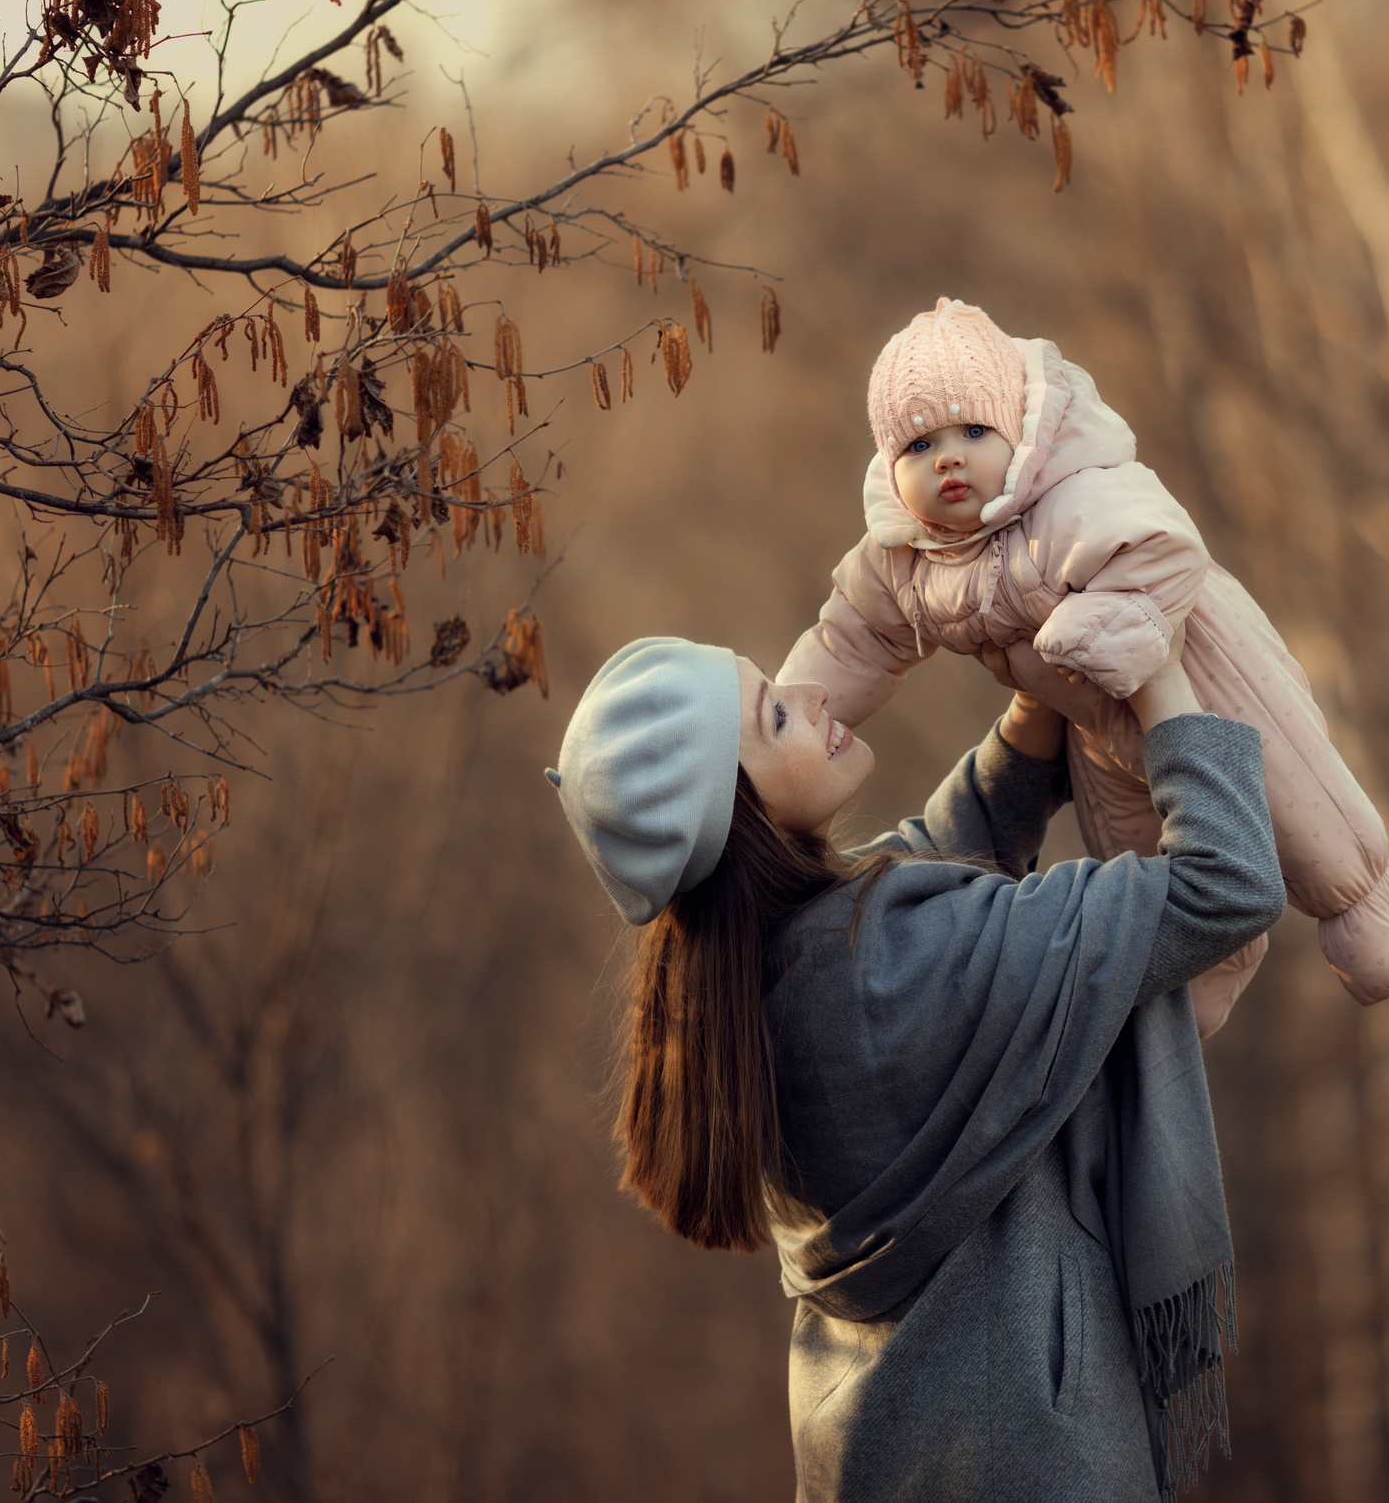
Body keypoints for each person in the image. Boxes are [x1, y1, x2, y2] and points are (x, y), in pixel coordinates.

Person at [546, 626, 1283, 1499]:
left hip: (870, 1456)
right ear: (734, 810)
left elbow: (926, 868)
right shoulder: (899, 965)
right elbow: (1227, 880)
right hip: (1031, 1462)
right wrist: (1155, 669)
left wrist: (1034, 711)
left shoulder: (743, 992)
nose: (814, 698)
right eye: (775, 713)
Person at [776, 297, 1389, 1030]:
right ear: (891, 468)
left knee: (1298, 802)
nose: (948, 458)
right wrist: (793, 709)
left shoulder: (1074, 495)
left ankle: (1367, 901)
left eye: (974, 431)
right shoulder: (903, 558)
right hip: (1092, 726)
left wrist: (1099, 632)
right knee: (1136, 853)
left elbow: (1165, 546)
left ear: (1017, 432)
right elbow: (850, 638)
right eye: (919, 446)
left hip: (1203, 677)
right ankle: (1204, 970)